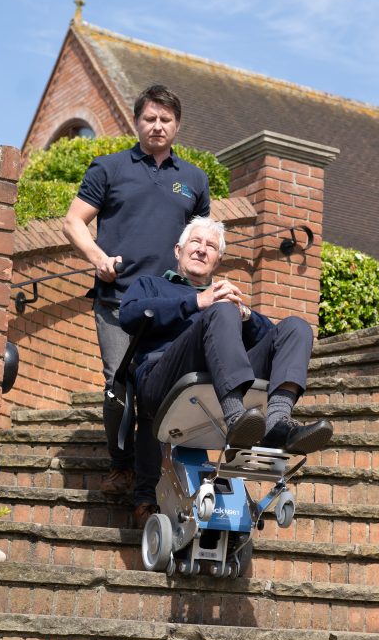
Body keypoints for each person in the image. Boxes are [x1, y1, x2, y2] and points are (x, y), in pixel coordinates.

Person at [119, 216, 333, 527]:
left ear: (219, 260)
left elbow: (271, 342)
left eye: (210, 247)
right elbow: (129, 315)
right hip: (162, 382)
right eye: (196, 242)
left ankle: (277, 421)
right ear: (178, 250)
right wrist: (197, 302)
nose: (202, 250)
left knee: (296, 328)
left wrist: (245, 315)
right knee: (220, 311)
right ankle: (236, 418)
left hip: (214, 382)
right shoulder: (151, 285)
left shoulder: (224, 297)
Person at [62, 85, 211, 499]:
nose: (157, 126)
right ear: (137, 122)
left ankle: (164, 468)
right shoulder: (108, 168)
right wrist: (98, 258)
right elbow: (74, 222)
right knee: (118, 385)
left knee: (170, 386)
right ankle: (122, 466)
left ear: (177, 125)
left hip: (173, 304)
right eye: (150, 118)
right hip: (118, 300)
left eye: (165, 119)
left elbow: (203, 240)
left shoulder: (194, 180)